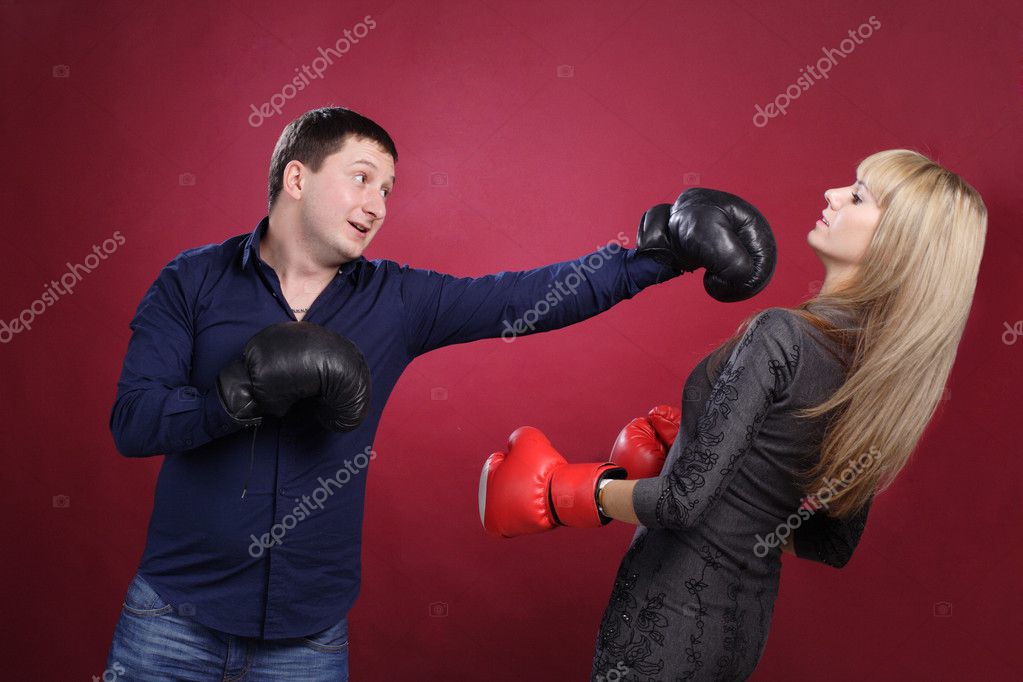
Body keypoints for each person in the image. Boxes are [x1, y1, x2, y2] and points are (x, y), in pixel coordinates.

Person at [105, 105, 776, 680]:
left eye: (389, 191)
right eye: (362, 179)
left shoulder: (398, 299)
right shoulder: (191, 282)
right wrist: (234, 396)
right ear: (297, 177)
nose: (377, 206)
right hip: (172, 617)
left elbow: (524, 297)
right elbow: (132, 421)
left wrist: (657, 259)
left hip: (304, 636)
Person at [478, 149, 988, 680]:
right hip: (738, 635)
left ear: (896, 244)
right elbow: (826, 541)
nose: (832, 195)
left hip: (661, 625)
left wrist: (566, 492)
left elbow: (679, 504)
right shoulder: (880, 377)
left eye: (858, 195)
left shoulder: (783, 335)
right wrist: (723, 474)